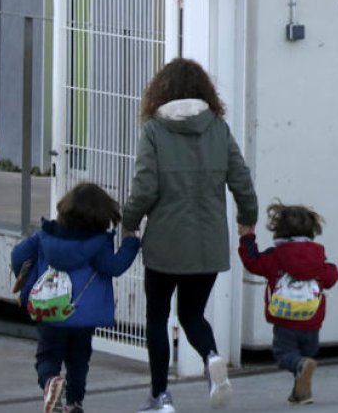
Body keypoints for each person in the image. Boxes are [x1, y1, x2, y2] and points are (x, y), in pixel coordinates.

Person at [122, 57, 259, 413]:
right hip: (209, 241)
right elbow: (242, 182)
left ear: (160, 90)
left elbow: (145, 187)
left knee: (157, 317)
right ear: (204, 90)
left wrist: (129, 220)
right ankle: (212, 359)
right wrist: (248, 219)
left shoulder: (154, 130)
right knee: (193, 314)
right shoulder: (218, 127)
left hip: (166, 243)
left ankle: (161, 397)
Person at [11, 182, 141, 413]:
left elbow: (18, 255)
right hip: (82, 316)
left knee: (47, 357)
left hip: (51, 311)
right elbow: (114, 267)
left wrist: (27, 277)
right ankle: (74, 404)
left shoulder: (45, 234)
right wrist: (131, 242)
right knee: (79, 361)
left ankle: (51, 382)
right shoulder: (99, 243)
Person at [239, 201, 338, 405]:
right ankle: (301, 392)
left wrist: (247, 237)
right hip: (311, 320)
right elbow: (330, 278)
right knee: (304, 357)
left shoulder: (274, 257)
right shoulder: (317, 258)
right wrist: (330, 268)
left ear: (279, 230)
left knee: (285, 355)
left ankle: (301, 368)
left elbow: (252, 262)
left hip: (285, 320)